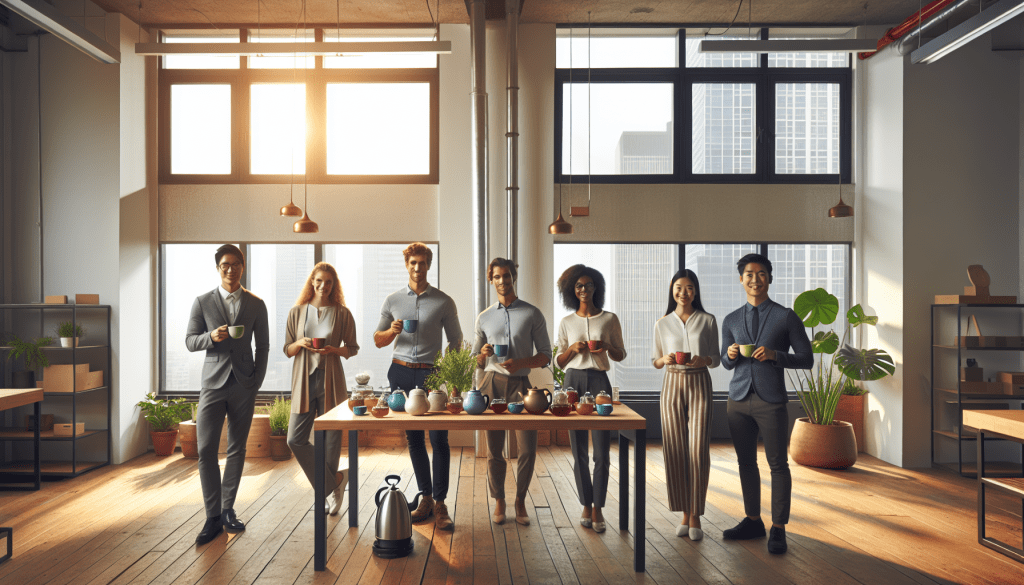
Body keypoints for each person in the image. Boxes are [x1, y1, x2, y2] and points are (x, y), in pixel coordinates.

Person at [720, 253, 813, 554]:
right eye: (749, 274)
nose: (755, 279)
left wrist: (776, 356)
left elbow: (807, 359)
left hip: (771, 400)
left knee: (778, 464)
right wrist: (731, 355)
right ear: (741, 279)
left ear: (770, 278)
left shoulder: (786, 316)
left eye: (761, 274)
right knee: (745, 462)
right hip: (737, 400)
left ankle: (779, 528)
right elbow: (724, 361)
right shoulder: (731, 319)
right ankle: (752, 520)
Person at [185, 244, 269, 545]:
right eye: (225, 265)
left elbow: (264, 346)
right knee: (206, 449)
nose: (230, 269)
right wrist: (211, 337)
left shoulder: (256, 304)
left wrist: (256, 381)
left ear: (242, 267)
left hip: (244, 384)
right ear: (218, 268)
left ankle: (228, 509)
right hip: (212, 382)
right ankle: (212, 517)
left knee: (237, 447)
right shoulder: (202, 302)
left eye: (235, 264)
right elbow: (189, 341)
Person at [374, 243, 462, 531]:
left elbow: (456, 341)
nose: (417, 268)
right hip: (400, 372)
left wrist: (451, 375)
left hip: (432, 374)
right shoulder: (393, 300)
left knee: (439, 439)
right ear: (406, 264)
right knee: (413, 439)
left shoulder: (444, 301)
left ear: (429, 265)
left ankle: (440, 503)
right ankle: (425, 498)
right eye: (412, 262)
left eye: (422, 263)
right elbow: (378, 339)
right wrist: (392, 331)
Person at [474, 257, 552, 527]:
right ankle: (499, 500)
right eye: (497, 276)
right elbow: (475, 358)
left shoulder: (532, 314)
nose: (502, 281)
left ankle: (520, 500)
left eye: (507, 276)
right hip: (492, 385)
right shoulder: (484, 317)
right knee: (494, 449)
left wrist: (521, 362)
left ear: (513, 277)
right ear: (490, 279)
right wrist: (482, 355)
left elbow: (545, 356)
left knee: (528, 448)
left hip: (522, 386)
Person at [555, 264, 626, 534]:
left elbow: (621, 354)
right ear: (572, 291)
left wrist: (607, 346)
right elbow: (560, 362)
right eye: (578, 286)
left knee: (602, 452)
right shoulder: (567, 322)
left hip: (599, 382)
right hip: (572, 381)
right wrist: (572, 349)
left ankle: (598, 508)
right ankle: (586, 504)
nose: (584, 290)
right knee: (579, 452)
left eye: (589, 285)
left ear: (597, 287)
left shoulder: (609, 319)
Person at [284, 262, 358, 516]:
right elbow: (288, 350)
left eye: (328, 282)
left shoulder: (342, 313)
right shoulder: (297, 312)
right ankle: (332, 484)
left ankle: (328, 493)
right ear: (311, 281)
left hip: (331, 379)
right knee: (295, 439)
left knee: (330, 440)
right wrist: (300, 342)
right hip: (304, 380)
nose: (323, 286)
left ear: (333, 285)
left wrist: (332, 350)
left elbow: (352, 348)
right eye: (318, 281)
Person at [652, 269, 720, 541]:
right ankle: (683, 513)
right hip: (671, 384)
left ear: (696, 291)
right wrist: (665, 360)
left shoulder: (708, 320)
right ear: (672, 290)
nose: (683, 292)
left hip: (699, 383)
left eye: (689, 287)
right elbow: (655, 361)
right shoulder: (662, 323)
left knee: (698, 449)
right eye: (679, 287)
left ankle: (696, 516)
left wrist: (703, 359)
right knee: (675, 448)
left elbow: (715, 358)